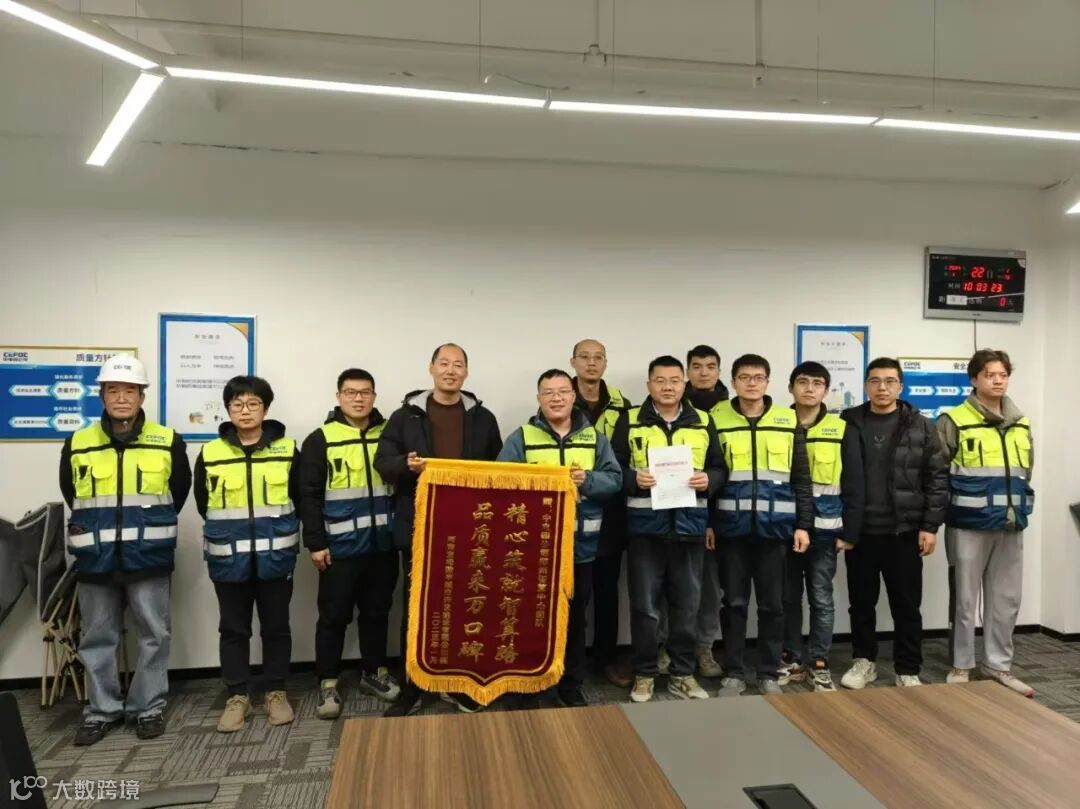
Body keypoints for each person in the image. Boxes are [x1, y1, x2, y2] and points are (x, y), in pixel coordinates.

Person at [60, 354, 190, 745]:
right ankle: (101, 711)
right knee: (97, 637)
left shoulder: (167, 440)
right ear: (101, 395)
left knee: (154, 634)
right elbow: (71, 492)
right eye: (113, 390)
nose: (121, 398)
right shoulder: (78, 443)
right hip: (95, 558)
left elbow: (178, 493)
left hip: (148, 556)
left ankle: (148, 708)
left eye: (130, 391)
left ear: (141, 396)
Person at [374, 343, 503, 715]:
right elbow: (383, 462)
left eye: (458, 364)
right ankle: (413, 686)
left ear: (466, 372)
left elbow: (499, 469)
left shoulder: (483, 418)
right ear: (431, 369)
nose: (450, 370)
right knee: (416, 606)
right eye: (443, 363)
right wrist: (406, 464)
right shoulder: (406, 416)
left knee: (465, 606)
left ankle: (457, 683)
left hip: (469, 528)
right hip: (420, 525)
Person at [497, 369, 622, 707]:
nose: (556, 398)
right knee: (531, 618)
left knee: (574, 620)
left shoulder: (594, 438)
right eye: (548, 392)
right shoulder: (521, 438)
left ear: (573, 397)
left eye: (563, 391)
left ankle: (570, 684)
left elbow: (615, 480)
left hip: (580, 550)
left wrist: (587, 480)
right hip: (534, 551)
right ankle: (531, 683)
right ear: (539, 399)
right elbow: (502, 482)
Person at [611, 355, 726, 703]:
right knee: (645, 610)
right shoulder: (630, 419)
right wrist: (633, 478)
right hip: (645, 530)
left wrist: (709, 480)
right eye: (660, 381)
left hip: (690, 529)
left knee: (687, 608)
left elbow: (719, 467)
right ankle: (645, 674)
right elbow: (613, 468)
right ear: (649, 385)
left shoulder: (703, 420)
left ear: (684, 384)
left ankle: (682, 674)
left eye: (674, 381)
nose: (667, 387)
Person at [194, 376, 301, 732]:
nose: (245, 410)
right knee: (233, 629)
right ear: (228, 410)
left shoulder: (288, 450)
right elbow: (202, 503)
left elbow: (300, 499)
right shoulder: (211, 453)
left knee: (276, 628)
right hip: (229, 558)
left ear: (265, 409)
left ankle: (276, 692)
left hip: (276, 558)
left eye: (253, 403)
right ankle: (237, 695)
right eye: (237, 404)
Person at [840, 358, 948, 689]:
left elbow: (937, 478)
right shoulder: (848, 422)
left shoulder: (921, 426)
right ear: (866, 386)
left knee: (906, 605)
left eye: (890, 381)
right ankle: (864, 661)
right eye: (875, 381)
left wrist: (930, 527)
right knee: (861, 604)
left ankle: (907, 668)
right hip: (860, 532)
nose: (882, 388)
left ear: (901, 386)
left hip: (905, 531)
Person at [299, 369, 400, 721]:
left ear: (374, 396)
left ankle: (374, 672)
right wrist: (315, 542)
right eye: (351, 392)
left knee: (377, 612)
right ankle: (328, 681)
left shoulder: (391, 435)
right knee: (333, 616)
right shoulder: (320, 440)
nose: (358, 398)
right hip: (339, 549)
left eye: (365, 392)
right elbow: (308, 496)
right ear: (339, 396)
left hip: (383, 545)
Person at [712, 354, 813, 695]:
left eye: (758, 377)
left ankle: (768, 672)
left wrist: (803, 525)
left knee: (773, 606)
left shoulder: (787, 419)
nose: (751, 383)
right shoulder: (717, 419)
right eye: (744, 377)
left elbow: (802, 477)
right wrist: (709, 524)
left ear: (768, 382)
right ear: (734, 381)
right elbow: (711, 474)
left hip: (776, 530)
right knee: (734, 605)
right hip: (731, 530)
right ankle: (734, 672)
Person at [938, 350, 1035, 697]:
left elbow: (1026, 472)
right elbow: (937, 475)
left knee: (1006, 599)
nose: (997, 381)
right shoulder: (953, 420)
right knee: (965, 599)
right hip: (967, 523)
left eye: (1003, 375)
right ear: (974, 379)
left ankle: (998, 665)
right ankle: (961, 664)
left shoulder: (1021, 423)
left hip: (1009, 523)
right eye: (990, 374)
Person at [779, 362, 864, 692]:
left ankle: (819, 662)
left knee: (821, 598)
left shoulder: (842, 429)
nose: (809, 389)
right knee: (787, 599)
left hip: (826, 531)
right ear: (791, 387)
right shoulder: (778, 424)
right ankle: (791, 659)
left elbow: (854, 483)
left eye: (817, 383)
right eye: (803, 382)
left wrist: (850, 532)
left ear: (826, 391)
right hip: (784, 529)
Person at [569, 338, 634, 687]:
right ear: (573, 362)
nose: (591, 363)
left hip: (610, 512)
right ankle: (570, 663)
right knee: (573, 594)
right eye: (584, 357)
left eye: (598, 358)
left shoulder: (624, 407)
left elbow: (627, 457)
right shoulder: (560, 398)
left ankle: (606, 659)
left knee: (607, 591)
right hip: (570, 515)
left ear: (606, 364)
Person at [682, 344, 731, 678]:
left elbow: (721, 467)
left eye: (710, 366)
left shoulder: (732, 410)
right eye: (697, 366)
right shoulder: (672, 407)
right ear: (687, 371)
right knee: (676, 587)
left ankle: (704, 648)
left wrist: (712, 520)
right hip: (678, 513)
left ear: (719, 371)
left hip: (723, 515)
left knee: (711, 589)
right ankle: (670, 647)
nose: (703, 372)